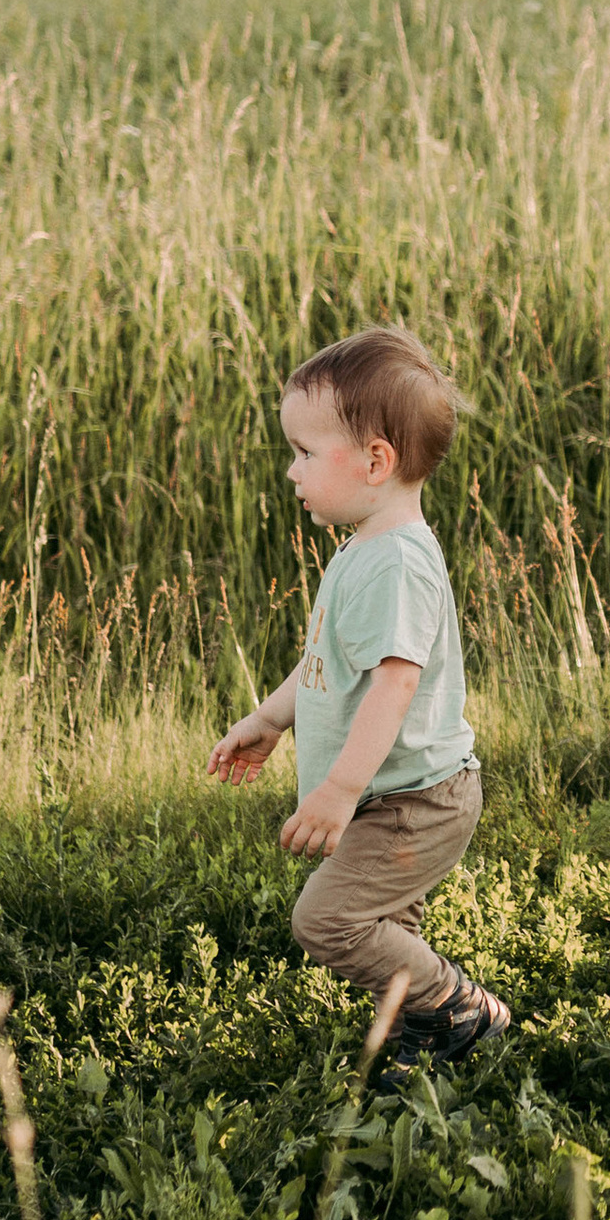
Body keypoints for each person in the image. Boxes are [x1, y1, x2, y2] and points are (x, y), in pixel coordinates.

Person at [208, 326, 512, 1063]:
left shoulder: (396, 564)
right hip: (398, 795)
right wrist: (269, 718)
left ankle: (457, 1005)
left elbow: (395, 684)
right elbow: (326, 661)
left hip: (415, 801)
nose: (292, 471)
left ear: (376, 461)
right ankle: (427, 1030)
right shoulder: (364, 548)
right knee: (378, 920)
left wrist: (341, 789)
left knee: (327, 920)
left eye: (306, 454)